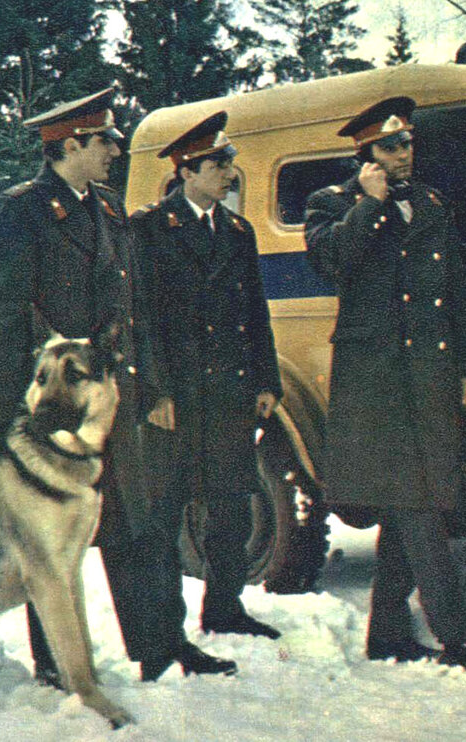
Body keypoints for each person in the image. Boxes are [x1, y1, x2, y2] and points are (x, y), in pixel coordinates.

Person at [0, 87, 229, 687]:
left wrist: (153, 388)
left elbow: (133, 312)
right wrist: (10, 414)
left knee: (138, 525)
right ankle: (58, 665)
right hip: (54, 412)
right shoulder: (24, 211)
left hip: (115, 403)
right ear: (70, 145)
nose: (116, 149)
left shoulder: (108, 209)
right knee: (55, 536)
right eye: (105, 140)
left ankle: (161, 646)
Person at [303, 96, 466, 678]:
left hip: (430, 378)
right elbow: (334, 264)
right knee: (418, 508)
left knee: (413, 505)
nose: (404, 153)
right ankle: (460, 641)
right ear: (366, 153)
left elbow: (454, 293)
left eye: (409, 142)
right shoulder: (333, 204)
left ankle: (387, 634)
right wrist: (369, 205)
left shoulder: (430, 204)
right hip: (377, 385)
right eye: (391, 146)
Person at [124, 111, 285, 680]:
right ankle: (164, 636)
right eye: (218, 165)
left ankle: (224, 607)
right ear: (187, 169)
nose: (229, 175)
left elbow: (254, 314)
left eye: (229, 165)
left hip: (230, 394)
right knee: (165, 517)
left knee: (231, 506)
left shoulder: (237, 233)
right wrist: (153, 392)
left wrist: (267, 380)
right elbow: (140, 319)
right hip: (179, 398)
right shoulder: (149, 229)